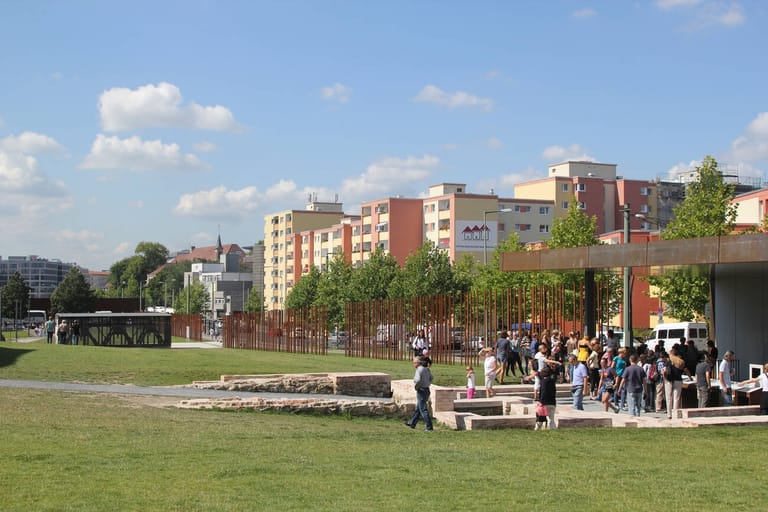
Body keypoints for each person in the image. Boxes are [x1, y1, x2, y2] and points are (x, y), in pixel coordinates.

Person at [404, 357, 434, 431]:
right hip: (427, 390)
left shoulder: (419, 369)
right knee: (419, 408)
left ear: (418, 363)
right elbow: (431, 378)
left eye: (414, 362)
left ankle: (429, 427)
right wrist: (427, 383)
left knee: (423, 409)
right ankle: (412, 423)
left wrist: (416, 387)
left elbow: (418, 380)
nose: (413, 364)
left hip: (421, 390)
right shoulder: (426, 369)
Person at [664, 347, 685, 419]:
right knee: (676, 398)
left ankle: (669, 414)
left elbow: (664, 371)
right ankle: (675, 414)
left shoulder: (668, 361)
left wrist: (665, 377)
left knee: (668, 398)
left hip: (669, 380)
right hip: (678, 380)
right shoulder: (680, 362)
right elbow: (683, 369)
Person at [538, 364, 557, 429]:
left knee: (540, 417)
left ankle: (537, 429)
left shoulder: (543, 382)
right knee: (551, 419)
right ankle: (553, 428)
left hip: (545, 403)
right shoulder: (552, 381)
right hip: (552, 402)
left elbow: (543, 392)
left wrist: (541, 401)